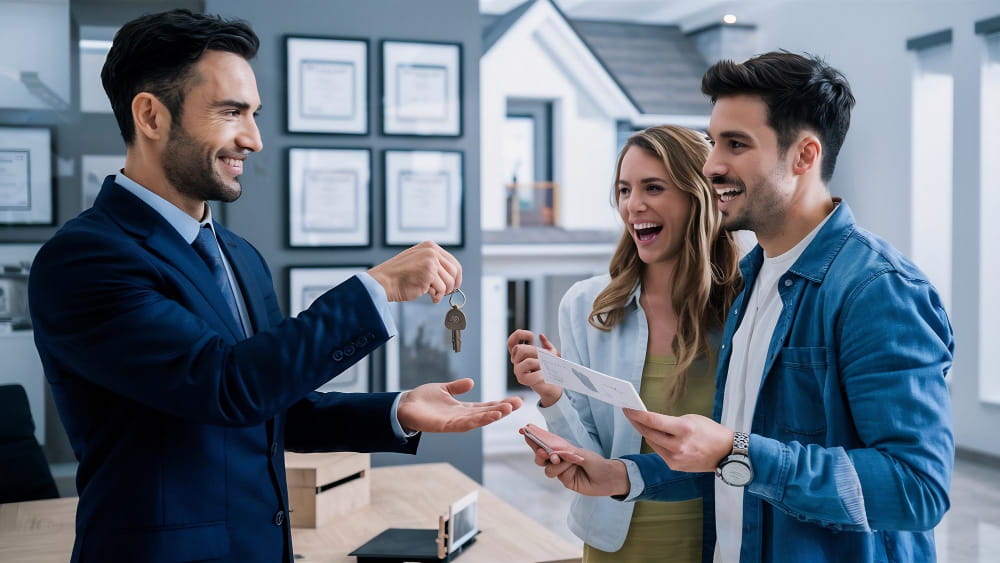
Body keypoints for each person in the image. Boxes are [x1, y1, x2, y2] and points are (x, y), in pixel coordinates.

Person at [28, 10, 521, 563]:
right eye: (231, 112)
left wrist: (397, 409)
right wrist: (375, 288)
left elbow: (273, 403)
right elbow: (225, 387)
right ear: (150, 115)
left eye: (254, 114)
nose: (254, 139)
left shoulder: (238, 256)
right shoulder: (85, 260)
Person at [525, 51, 954, 563]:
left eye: (736, 144)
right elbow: (735, 472)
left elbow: (917, 488)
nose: (711, 165)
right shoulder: (751, 283)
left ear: (804, 156)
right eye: (713, 142)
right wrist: (625, 476)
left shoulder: (876, 289)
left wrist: (736, 450)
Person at [507, 125, 742, 562]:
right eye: (624, 190)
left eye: (653, 187)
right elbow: (590, 456)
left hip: (722, 543)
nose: (634, 205)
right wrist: (552, 394)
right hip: (613, 542)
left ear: (699, 196)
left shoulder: (746, 310)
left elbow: (749, 445)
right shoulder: (586, 306)